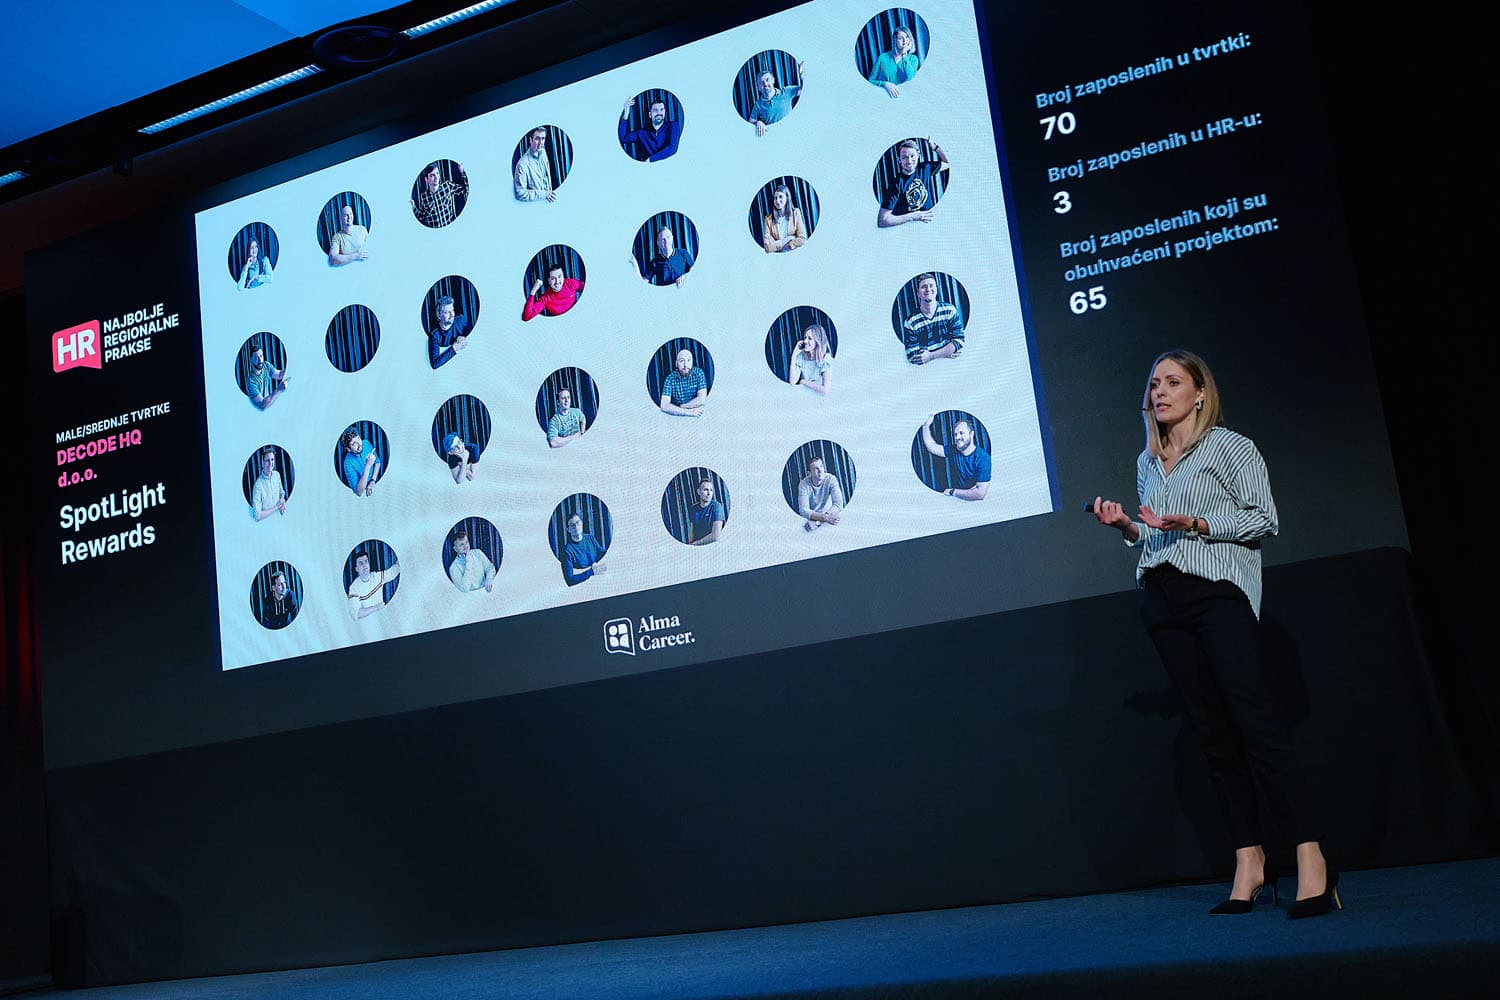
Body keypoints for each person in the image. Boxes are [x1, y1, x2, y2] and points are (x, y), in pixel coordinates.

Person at [1090, 349, 1337, 919]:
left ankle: (1312, 856)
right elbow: (1156, 536)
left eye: (1173, 382)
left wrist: (1199, 523)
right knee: (1212, 735)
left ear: (1200, 392)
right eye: (1154, 383)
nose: (1159, 392)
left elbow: (1264, 518)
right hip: (1161, 597)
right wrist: (1127, 527)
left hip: (1218, 592)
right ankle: (1250, 862)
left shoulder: (1230, 447)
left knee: (1256, 727)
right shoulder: (1148, 461)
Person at [877, 138, 950, 227]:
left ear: (918, 155)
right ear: (899, 160)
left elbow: (948, 163)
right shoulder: (896, 185)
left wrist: (935, 147)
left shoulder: (925, 168)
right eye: (904, 157)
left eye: (912, 156)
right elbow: (882, 220)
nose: (909, 161)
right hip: (909, 228)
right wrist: (912, 217)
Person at [920, 416, 990, 500]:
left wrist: (953, 492)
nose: (957, 437)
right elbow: (931, 447)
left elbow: (980, 494)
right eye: (955, 434)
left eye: (961, 433)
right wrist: (925, 426)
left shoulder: (983, 458)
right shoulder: (955, 449)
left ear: (971, 434)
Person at [902, 273, 964, 364]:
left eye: (931, 285)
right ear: (918, 293)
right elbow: (913, 356)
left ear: (936, 290)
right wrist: (947, 352)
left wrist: (931, 356)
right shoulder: (910, 322)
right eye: (923, 287)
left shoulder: (949, 310)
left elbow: (959, 341)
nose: (928, 289)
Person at [618, 96, 682, 161]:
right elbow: (623, 139)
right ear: (650, 114)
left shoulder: (673, 126)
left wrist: (650, 160)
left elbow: (672, 148)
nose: (659, 113)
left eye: (661, 109)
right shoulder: (641, 133)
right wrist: (625, 114)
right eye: (655, 110)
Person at [748, 63, 804, 136]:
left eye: (767, 80)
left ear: (773, 80)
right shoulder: (758, 104)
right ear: (758, 88)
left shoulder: (787, 91)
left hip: (793, 133)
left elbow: (803, 91)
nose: (765, 84)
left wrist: (802, 78)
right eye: (761, 83)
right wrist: (758, 122)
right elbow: (751, 121)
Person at [410, 161, 468, 228]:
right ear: (426, 179)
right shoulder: (424, 197)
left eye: (437, 173)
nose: (436, 178)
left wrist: (462, 172)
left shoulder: (447, 186)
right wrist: (413, 207)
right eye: (432, 175)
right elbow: (421, 216)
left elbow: (465, 188)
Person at [867, 26, 920, 98]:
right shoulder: (882, 58)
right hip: (886, 98)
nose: (904, 41)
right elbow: (871, 81)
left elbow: (910, 78)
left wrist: (904, 55)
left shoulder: (913, 59)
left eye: (907, 37)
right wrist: (885, 84)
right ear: (895, 41)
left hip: (907, 98)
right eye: (900, 38)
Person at [347, 549, 400, 620]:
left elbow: (394, 571)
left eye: (366, 561)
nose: (364, 565)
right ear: (356, 569)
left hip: (383, 618)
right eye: (360, 563)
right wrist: (376, 607)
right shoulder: (354, 588)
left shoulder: (376, 576)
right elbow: (356, 614)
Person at [796, 457, 844, 531]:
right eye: (816, 468)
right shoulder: (803, 484)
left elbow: (838, 504)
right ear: (809, 473)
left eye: (821, 466)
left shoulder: (831, 479)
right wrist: (825, 518)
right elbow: (803, 511)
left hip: (829, 515)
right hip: (813, 518)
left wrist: (819, 522)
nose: (820, 470)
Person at [560, 513, 608, 586]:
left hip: (599, 580)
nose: (576, 526)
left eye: (578, 522)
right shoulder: (567, 551)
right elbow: (569, 580)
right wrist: (591, 572)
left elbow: (602, 553)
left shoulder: (590, 538)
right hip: (583, 586)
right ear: (568, 530)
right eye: (572, 525)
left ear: (582, 523)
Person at [659, 349, 708, 417]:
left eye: (688, 360)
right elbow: (664, 406)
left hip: (697, 411)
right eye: (682, 361)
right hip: (680, 415)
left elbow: (702, 399)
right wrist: (688, 412)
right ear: (676, 363)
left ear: (692, 362)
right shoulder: (670, 379)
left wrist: (683, 406)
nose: (685, 365)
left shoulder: (698, 373)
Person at [762, 184, 808, 253]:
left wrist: (776, 245)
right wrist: (789, 238)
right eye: (775, 198)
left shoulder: (796, 213)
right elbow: (767, 248)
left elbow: (802, 239)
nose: (777, 200)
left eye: (780, 197)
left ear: (787, 198)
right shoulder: (768, 219)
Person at [514, 127, 557, 202]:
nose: (541, 143)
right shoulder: (522, 164)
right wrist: (543, 194)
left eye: (543, 139)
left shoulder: (543, 152)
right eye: (537, 139)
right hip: (536, 205)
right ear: (530, 140)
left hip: (548, 202)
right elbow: (520, 193)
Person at [447, 527, 495, 593]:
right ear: (455, 549)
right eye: (462, 544)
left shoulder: (478, 553)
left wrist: (489, 579)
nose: (466, 546)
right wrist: (468, 562)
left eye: (466, 542)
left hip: (486, 591)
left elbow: (490, 568)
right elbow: (464, 590)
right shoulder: (453, 568)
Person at [787, 324, 832, 395]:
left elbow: (825, 390)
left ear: (817, 341)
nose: (805, 341)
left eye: (809, 338)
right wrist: (794, 356)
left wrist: (803, 382)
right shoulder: (801, 357)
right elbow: (792, 381)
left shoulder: (826, 358)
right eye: (805, 337)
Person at [428, 295, 470, 369]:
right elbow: (434, 364)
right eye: (447, 312)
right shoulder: (435, 336)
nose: (452, 315)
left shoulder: (460, 320)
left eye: (452, 310)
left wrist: (464, 335)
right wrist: (454, 348)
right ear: (438, 315)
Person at [340, 426, 381, 497]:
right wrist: (368, 465)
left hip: (376, 481)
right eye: (354, 444)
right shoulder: (347, 463)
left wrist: (372, 481)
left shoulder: (366, 443)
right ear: (348, 449)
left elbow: (377, 462)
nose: (359, 444)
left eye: (358, 438)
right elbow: (359, 492)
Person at [249, 447, 288, 521]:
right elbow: (257, 516)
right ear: (262, 463)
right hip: (266, 522)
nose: (270, 463)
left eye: (272, 459)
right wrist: (276, 507)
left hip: (279, 518)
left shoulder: (277, 475)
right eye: (267, 460)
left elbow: (282, 492)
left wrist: (282, 500)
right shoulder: (258, 485)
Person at [244, 344, 288, 409]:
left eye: (261, 356)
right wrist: (279, 389)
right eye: (256, 358)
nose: (260, 360)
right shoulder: (251, 382)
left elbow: (279, 375)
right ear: (251, 360)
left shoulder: (266, 365)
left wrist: (290, 367)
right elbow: (263, 405)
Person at [688, 478, 724, 545]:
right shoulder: (694, 508)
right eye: (706, 490)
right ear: (698, 492)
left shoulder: (716, 507)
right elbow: (692, 533)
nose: (709, 493)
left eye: (711, 490)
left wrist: (695, 544)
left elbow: (716, 536)